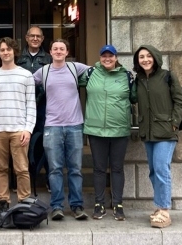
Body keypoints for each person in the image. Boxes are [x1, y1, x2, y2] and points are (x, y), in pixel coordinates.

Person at [33, 38, 90, 221]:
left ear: (67, 52)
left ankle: (77, 206)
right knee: (55, 169)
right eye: (55, 48)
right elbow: (24, 84)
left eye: (62, 48)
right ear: (50, 52)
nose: (58, 51)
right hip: (52, 126)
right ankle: (57, 206)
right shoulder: (43, 71)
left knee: (75, 169)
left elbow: (100, 72)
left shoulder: (76, 68)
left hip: (74, 125)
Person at [132, 45, 182, 228]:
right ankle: (159, 206)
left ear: (155, 58)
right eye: (141, 57)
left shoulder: (167, 76)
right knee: (154, 171)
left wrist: (174, 123)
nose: (145, 59)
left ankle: (164, 210)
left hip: (165, 131)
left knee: (162, 169)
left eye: (148, 56)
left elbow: (181, 101)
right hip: (147, 131)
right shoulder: (138, 80)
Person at [0, 37, 36, 219]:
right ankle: (3, 203)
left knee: (22, 168)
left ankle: (24, 203)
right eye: (2, 49)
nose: (5, 52)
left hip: (19, 129)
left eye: (9, 49)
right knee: (1, 168)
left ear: (14, 51)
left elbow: (31, 105)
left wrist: (28, 129)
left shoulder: (26, 75)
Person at [79, 45, 133, 221]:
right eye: (104, 56)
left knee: (117, 168)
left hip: (119, 130)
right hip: (96, 131)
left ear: (116, 57)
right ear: (100, 57)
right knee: (99, 169)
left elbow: (135, 97)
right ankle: (99, 204)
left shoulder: (126, 76)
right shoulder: (90, 73)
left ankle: (118, 204)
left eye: (111, 55)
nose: (107, 58)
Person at [17, 26, 52, 191]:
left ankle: (48, 178)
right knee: (21, 143)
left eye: (38, 36)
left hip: (44, 106)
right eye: (32, 36)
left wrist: (37, 99)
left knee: (46, 143)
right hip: (20, 107)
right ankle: (22, 180)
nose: (35, 39)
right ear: (26, 37)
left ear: (43, 39)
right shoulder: (17, 58)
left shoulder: (50, 58)